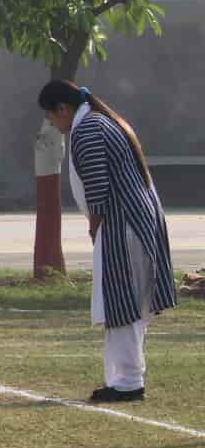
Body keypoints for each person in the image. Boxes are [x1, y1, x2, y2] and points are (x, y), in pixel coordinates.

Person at [40, 79, 178, 402]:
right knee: (129, 303)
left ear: (63, 108)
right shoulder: (99, 121)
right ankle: (126, 377)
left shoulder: (88, 129)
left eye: (51, 116)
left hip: (123, 222)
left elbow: (98, 189)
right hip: (135, 219)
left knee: (121, 302)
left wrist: (94, 226)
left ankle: (128, 381)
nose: (53, 124)